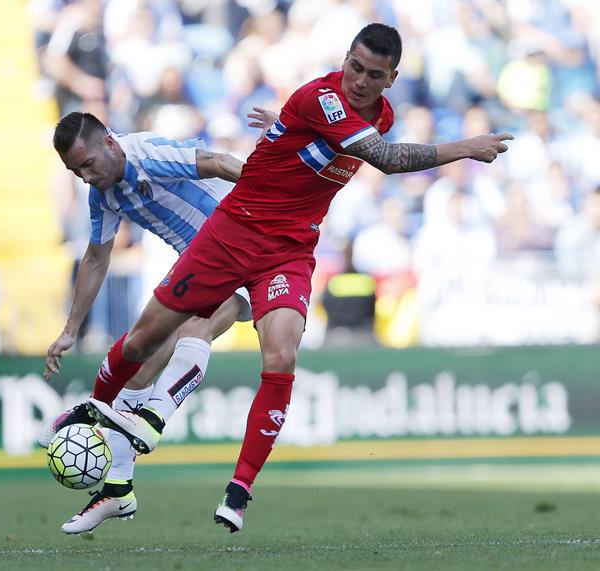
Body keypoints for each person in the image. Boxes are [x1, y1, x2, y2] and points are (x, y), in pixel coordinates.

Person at [68, 22, 513, 534]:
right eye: (354, 67)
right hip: (232, 232)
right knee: (146, 340)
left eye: (373, 75)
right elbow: (385, 161)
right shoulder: (319, 97)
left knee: (280, 354)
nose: (360, 81)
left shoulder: (380, 114)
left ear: (391, 79)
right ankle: (100, 414)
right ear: (344, 58)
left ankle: (236, 489)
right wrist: (465, 146)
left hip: (290, 250)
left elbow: (327, 148)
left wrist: (286, 130)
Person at [40, 110, 252, 534]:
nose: (85, 176)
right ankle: (118, 490)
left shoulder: (147, 154)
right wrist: (69, 330)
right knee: (135, 368)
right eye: (75, 170)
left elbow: (215, 161)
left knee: (197, 329)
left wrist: (272, 197)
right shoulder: (102, 194)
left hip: (247, 246)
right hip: (198, 267)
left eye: (87, 164)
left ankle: (153, 422)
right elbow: (97, 258)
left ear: (110, 144)